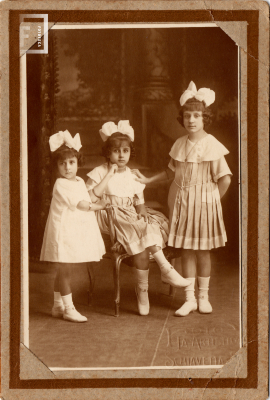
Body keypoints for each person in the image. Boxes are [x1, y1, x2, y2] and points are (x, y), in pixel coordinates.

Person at [133, 82, 232, 316]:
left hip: (205, 205)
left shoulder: (212, 145)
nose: (191, 120)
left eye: (197, 115)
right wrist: (147, 181)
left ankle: (203, 297)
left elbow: (225, 179)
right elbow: (170, 173)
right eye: (187, 116)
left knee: (203, 252)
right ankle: (189, 299)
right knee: (186, 251)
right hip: (183, 204)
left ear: (205, 118)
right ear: (183, 119)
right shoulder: (179, 143)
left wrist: (212, 201)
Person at [85, 120, 191, 316]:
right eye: (116, 151)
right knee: (138, 228)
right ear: (108, 153)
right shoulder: (100, 172)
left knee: (147, 226)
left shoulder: (132, 174)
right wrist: (108, 175)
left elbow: (139, 199)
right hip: (109, 214)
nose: (121, 155)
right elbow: (89, 198)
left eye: (125, 151)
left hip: (130, 214)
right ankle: (166, 270)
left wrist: (141, 210)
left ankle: (143, 292)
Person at [40, 130, 107, 322]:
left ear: (78, 163)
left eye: (71, 162)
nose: (67, 167)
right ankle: (68, 308)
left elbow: (88, 195)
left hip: (73, 230)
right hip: (63, 231)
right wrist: (99, 206)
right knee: (65, 269)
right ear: (57, 166)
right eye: (62, 163)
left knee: (64, 269)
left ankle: (57, 305)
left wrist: (107, 177)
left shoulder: (78, 181)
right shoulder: (60, 184)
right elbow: (81, 204)